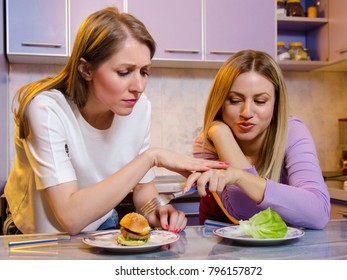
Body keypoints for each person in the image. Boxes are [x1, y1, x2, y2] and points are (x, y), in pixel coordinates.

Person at [3, 7, 228, 235]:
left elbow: (143, 189)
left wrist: (158, 210)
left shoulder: (140, 109)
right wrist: (152, 157)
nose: (138, 87)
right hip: (37, 238)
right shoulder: (47, 110)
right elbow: (70, 217)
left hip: (101, 226)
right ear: (86, 69)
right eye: (124, 72)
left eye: (144, 72)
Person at [189, 50, 330, 230]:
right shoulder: (208, 143)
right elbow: (247, 215)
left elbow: (318, 214)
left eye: (261, 101)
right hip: (223, 250)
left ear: (276, 104)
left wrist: (240, 177)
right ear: (220, 103)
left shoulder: (293, 132)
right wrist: (220, 133)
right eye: (234, 100)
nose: (247, 112)